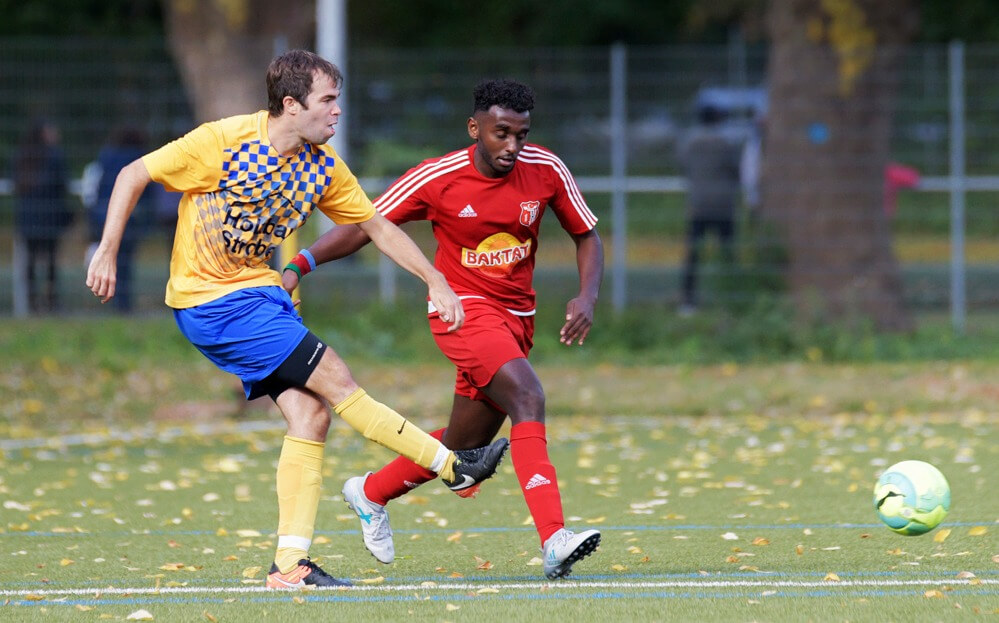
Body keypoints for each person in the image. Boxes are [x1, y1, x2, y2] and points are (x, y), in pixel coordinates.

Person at [85, 50, 508, 589]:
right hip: (211, 303)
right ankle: (453, 466)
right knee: (340, 381)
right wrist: (106, 250)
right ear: (291, 104)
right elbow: (131, 173)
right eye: (328, 101)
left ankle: (289, 567)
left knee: (312, 416)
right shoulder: (223, 143)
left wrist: (435, 279)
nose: (337, 113)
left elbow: (379, 228)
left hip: (257, 298)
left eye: (338, 101)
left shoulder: (324, 167)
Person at [282, 79, 605, 580]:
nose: (512, 147)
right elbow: (365, 225)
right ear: (475, 128)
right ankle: (554, 538)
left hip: (516, 320)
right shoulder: (438, 177)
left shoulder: (546, 169)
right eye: (501, 134)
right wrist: (300, 263)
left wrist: (587, 295)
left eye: (521, 135)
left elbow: (586, 234)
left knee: (464, 447)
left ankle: (370, 492)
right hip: (460, 311)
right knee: (528, 396)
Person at [676, 104, 744, 315]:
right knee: (728, 252)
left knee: (694, 255)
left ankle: (688, 300)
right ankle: (732, 297)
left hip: (698, 205)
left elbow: (682, 165)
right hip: (723, 205)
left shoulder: (689, 143)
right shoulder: (725, 143)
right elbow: (735, 170)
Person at [86, 126, 155, 312]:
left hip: (104, 214)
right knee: (125, 262)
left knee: (110, 257)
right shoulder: (139, 157)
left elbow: (98, 185)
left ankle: (111, 299)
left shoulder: (107, 155)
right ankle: (123, 303)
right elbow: (147, 190)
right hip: (131, 218)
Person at [12, 119, 73, 313]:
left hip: (28, 218)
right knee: (51, 263)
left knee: (30, 262)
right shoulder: (54, 156)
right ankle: (51, 301)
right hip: (49, 218)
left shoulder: (22, 155)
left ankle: (32, 302)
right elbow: (62, 184)